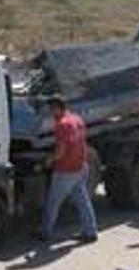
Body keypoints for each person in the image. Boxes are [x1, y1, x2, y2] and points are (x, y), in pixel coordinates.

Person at [40, 95, 98, 243]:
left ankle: (46, 232)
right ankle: (90, 231)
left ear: (56, 108)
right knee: (82, 200)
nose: (50, 113)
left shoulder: (62, 125)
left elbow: (60, 151)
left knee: (53, 202)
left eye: (51, 109)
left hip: (66, 169)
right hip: (81, 165)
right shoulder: (77, 119)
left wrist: (49, 160)